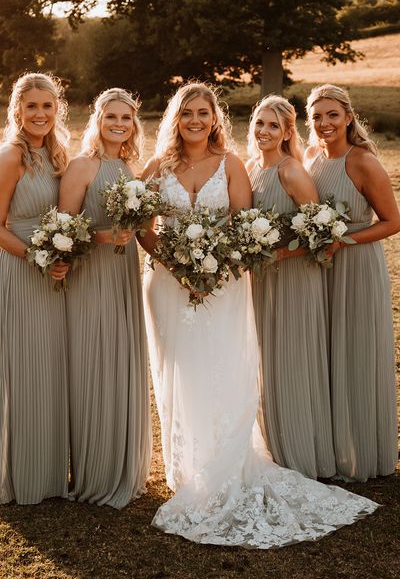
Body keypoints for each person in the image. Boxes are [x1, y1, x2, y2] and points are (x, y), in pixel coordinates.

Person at [140, 81, 377, 549]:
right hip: (168, 286)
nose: (195, 121)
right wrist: (176, 265)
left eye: (203, 113)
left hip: (224, 282)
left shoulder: (231, 165)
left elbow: (244, 225)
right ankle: (188, 465)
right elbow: (144, 228)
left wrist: (210, 266)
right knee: (179, 371)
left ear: (215, 119)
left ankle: (227, 461)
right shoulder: (156, 166)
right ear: (175, 117)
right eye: (187, 113)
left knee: (223, 368)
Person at [58, 88, 151, 508]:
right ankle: (94, 470)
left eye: (126, 118)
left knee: (122, 360)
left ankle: (121, 464)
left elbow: (144, 230)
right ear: (97, 119)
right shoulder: (82, 166)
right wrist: (101, 235)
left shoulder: (132, 169)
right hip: (92, 274)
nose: (119, 123)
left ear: (133, 124)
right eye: (111, 116)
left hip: (124, 273)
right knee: (94, 361)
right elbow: (62, 231)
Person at [305, 84, 399, 482]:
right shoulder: (309, 158)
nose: (324, 123)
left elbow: (393, 222)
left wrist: (339, 241)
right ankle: (330, 444)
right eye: (317, 116)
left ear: (347, 116)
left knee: (356, 351)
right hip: (319, 269)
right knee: (326, 351)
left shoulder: (362, 162)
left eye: (331, 115)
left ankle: (365, 450)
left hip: (356, 266)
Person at [246, 95, 335, 480]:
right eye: (259, 124)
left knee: (293, 359)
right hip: (261, 280)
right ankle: (275, 444)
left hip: (294, 278)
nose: (264, 131)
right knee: (268, 363)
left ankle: (301, 451)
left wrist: (279, 256)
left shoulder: (291, 171)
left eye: (273, 126)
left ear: (286, 132)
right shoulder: (250, 168)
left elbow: (322, 234)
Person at [0, 72, 70, 504]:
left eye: (47, 106)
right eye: (32, 106)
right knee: (23, 368)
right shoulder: (12, 156)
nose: (40, 114)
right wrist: (35, 256)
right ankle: (21, 472)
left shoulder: (60, 155)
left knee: (50, 367)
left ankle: (48, 473)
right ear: (18, 111)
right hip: (20, 266)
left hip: (55, 272)